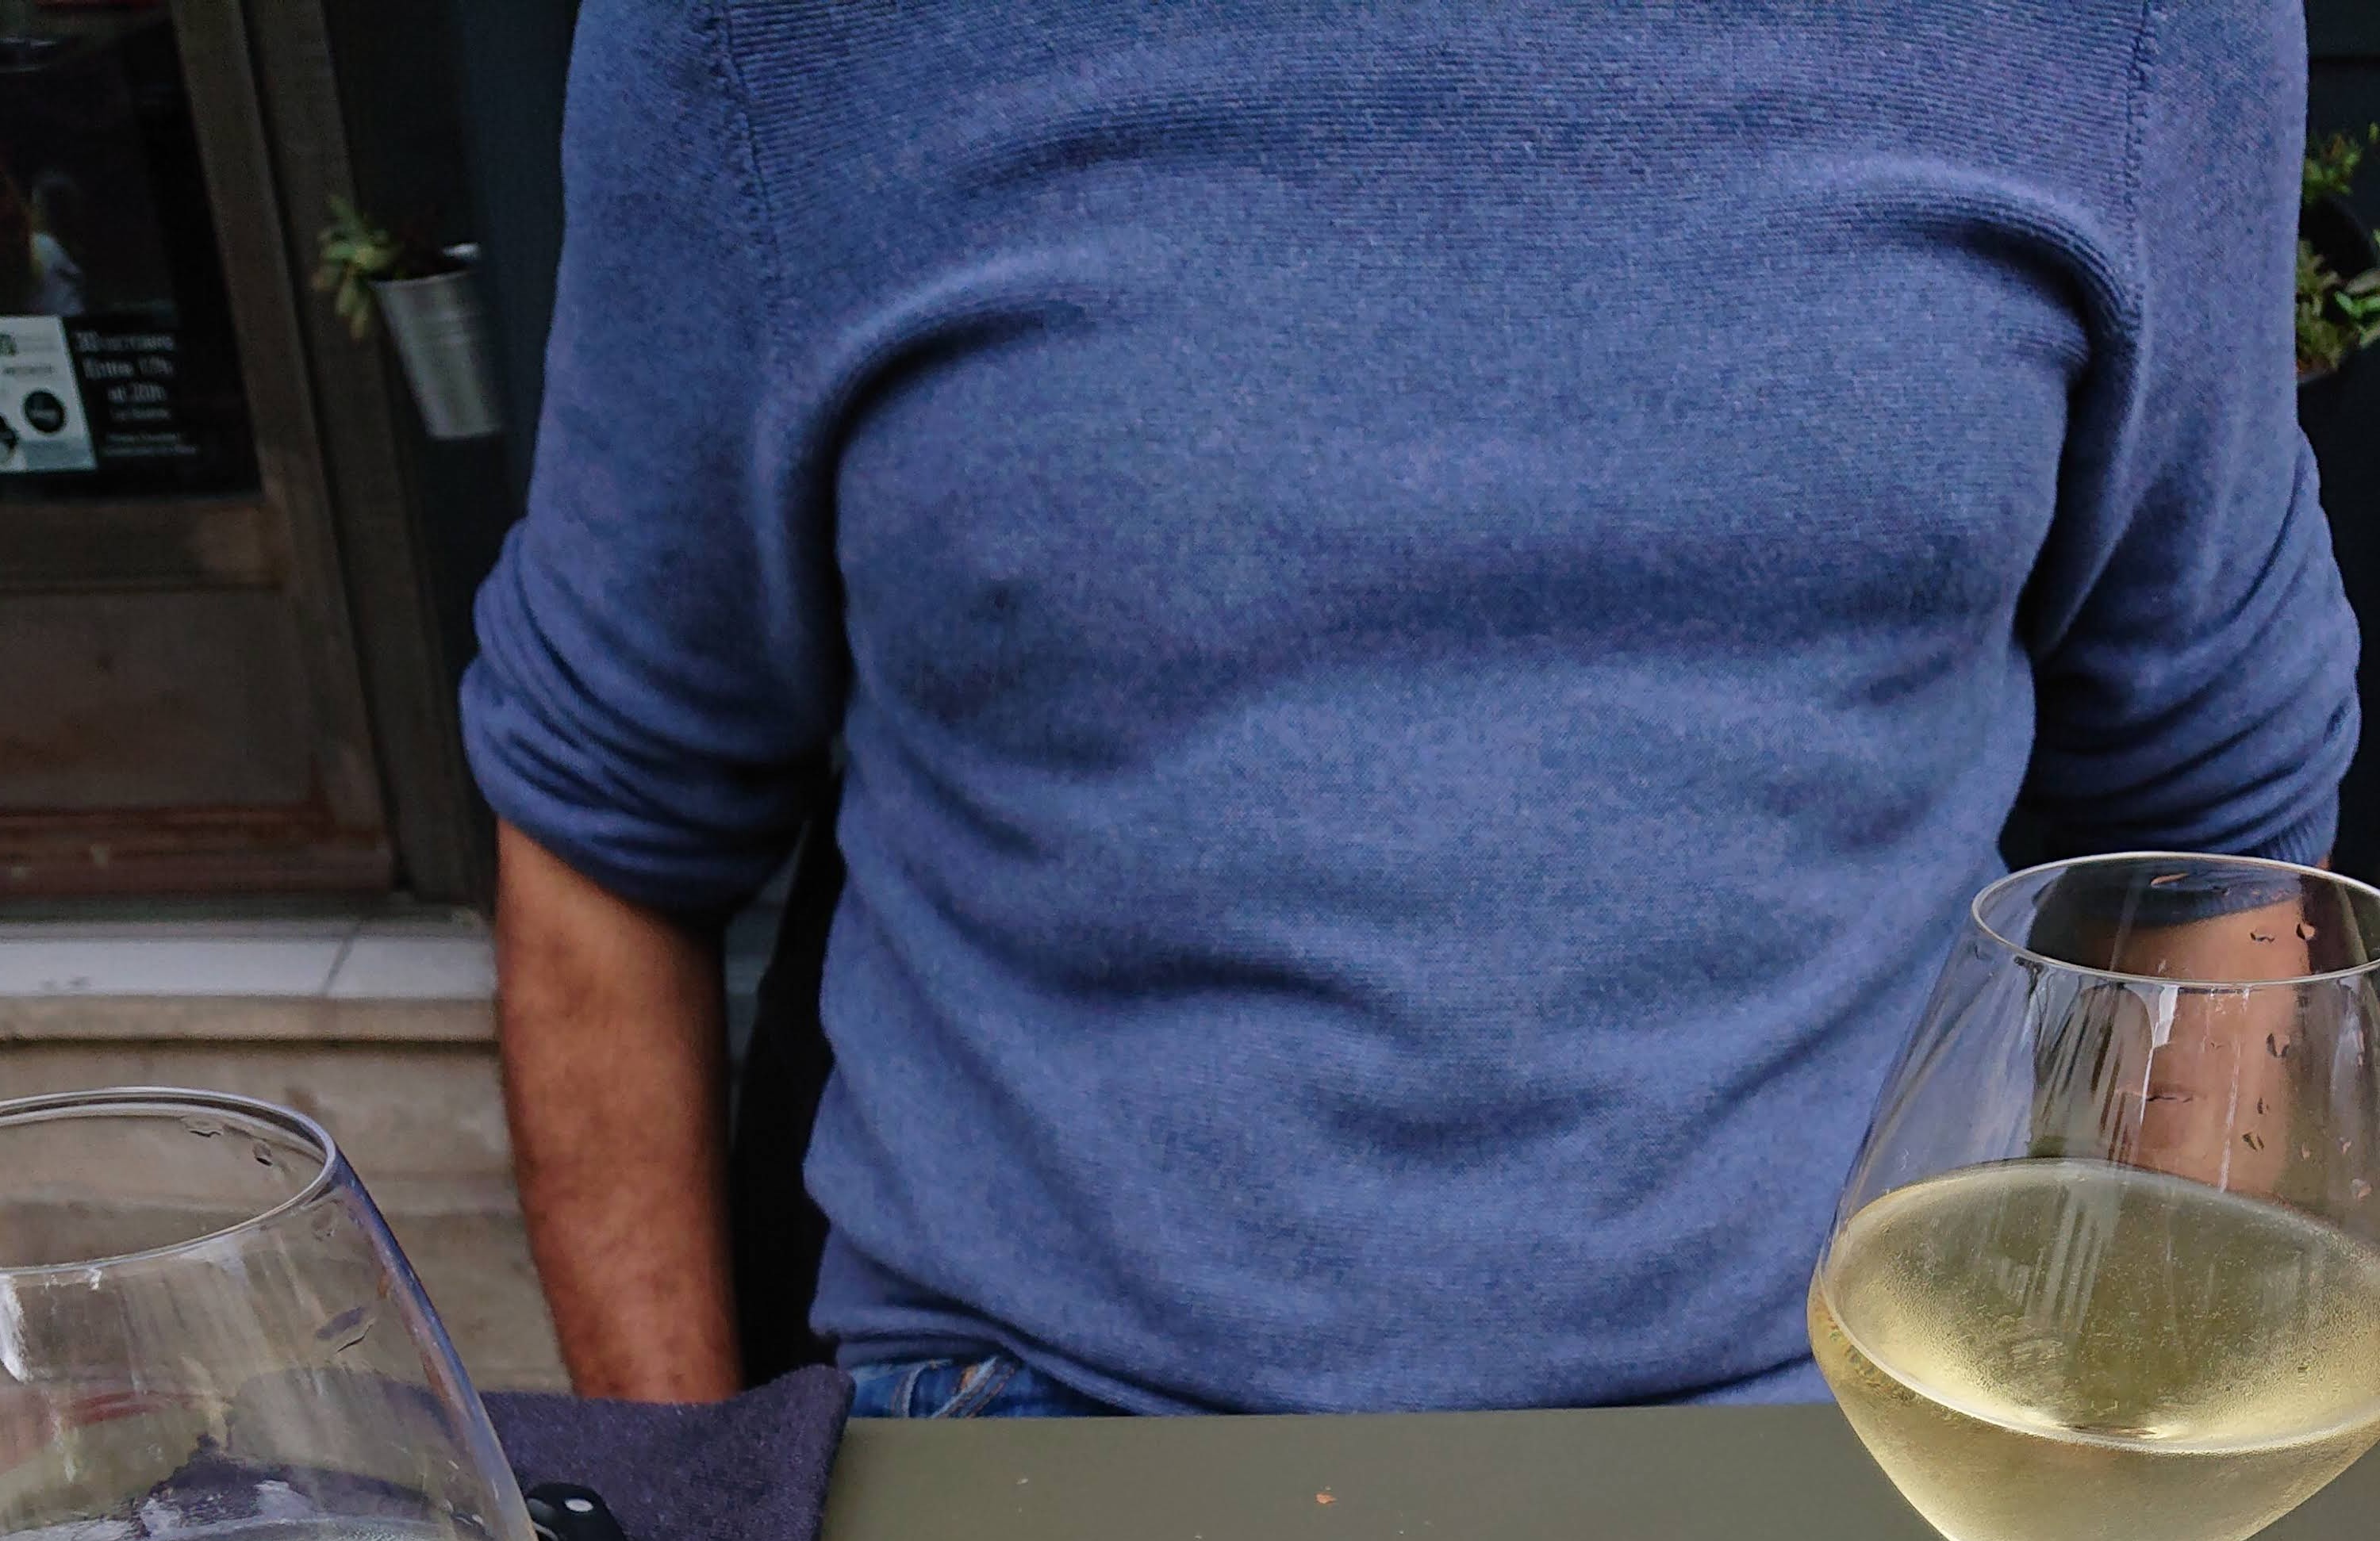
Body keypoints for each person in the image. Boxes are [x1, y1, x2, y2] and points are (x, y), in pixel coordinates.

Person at [465, 1, 2356, 1419]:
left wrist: (2113, 1483)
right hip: (1031, 1436)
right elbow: (611, 821)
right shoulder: (773, 44)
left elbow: (2209, 836)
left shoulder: (2124, 37)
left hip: (1849, 1429)